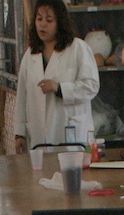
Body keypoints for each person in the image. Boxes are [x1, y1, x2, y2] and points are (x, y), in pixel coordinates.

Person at [14, 0, 100, 153]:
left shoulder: (78, 49)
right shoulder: (30, 54)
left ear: (60, 22)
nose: (42, 24)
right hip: (39, 137)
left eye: (49, 20)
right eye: (39, 19)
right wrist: (19, 133)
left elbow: (91, 86)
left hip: (70, 133)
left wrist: (60, 88)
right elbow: (22, 95)